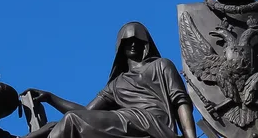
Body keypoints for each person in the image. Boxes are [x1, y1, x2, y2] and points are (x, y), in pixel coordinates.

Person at [22, 22, 197, 138]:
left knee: (71, 120)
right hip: (127, 121)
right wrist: (50, 98)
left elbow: (180, 101)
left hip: (152, 120)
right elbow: (86, 112)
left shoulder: (161, 65)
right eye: (128, 41)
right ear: (121, 46)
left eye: (137, 40)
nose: (133, 44)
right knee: (65, 122)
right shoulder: (116, 84)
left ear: (146, 44)